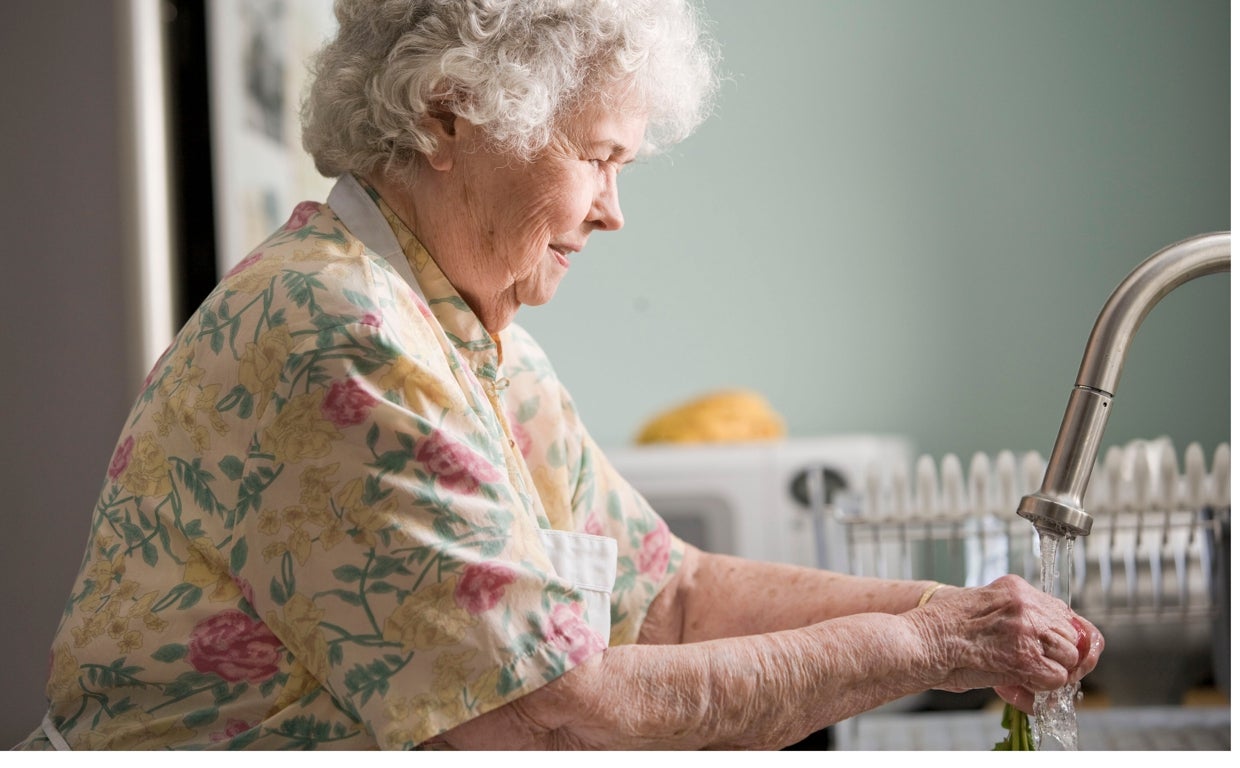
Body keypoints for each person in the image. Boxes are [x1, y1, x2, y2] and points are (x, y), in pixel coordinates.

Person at [16, 0, 1101, 751]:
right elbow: (544, 712)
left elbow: (667, 598)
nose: (613, 211)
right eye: (597, 156)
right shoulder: (333, 330)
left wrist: (955, 612)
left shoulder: (471, 337)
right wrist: (921, 645)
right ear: (448, 115)